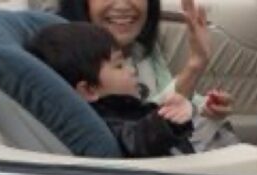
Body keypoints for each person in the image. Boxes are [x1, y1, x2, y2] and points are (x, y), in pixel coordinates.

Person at [58, 0, 236, 149]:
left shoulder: (141, 50)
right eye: (118, 67)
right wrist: (194, 67)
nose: (123, 5)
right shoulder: (65, 62)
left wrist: (205, 107)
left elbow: (165, 97)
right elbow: (139, 131)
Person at [29, 22, 195, 157]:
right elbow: (133, 140)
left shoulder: (121, 108)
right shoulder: (97, 125)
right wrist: (168, 121)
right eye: (119, 66)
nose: (131, 70)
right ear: (88, 89)